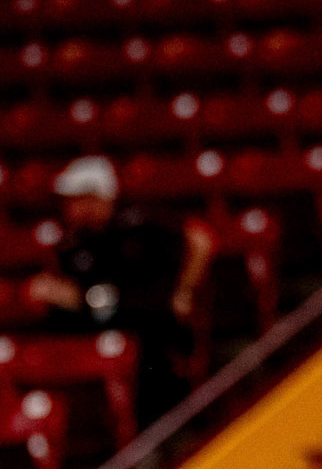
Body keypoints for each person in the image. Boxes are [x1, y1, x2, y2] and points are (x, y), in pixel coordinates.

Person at [29, 155, 213, 426]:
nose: (67, 207)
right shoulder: (73, 245)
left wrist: (185, 290)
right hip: (104, 329)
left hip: (153, 325)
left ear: (96, 197)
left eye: (75, 198)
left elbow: (200, 239)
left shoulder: (141, 224)